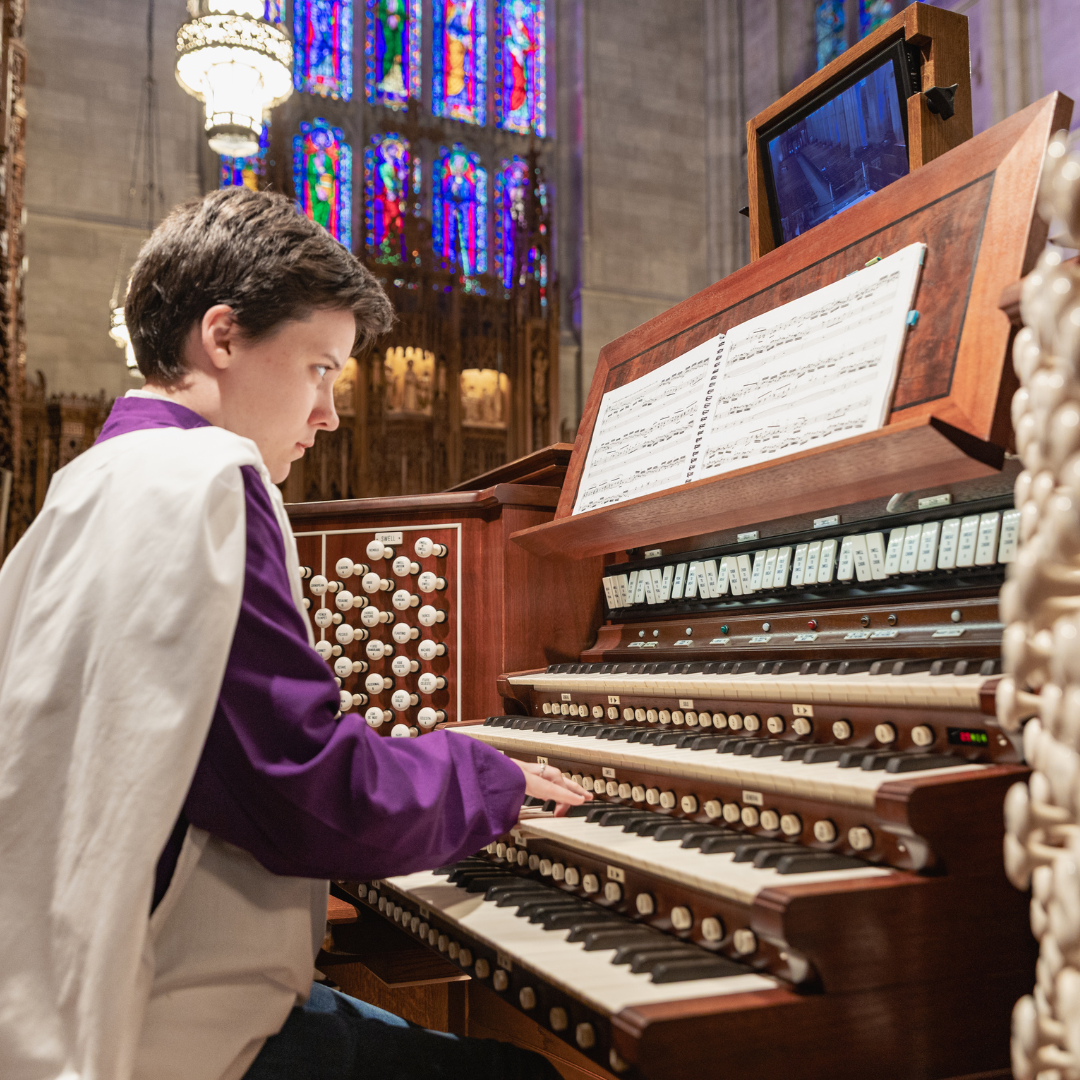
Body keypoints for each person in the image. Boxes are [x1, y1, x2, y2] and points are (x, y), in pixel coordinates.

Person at [0, 187, 589, 1080]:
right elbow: (305, 791)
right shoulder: (203, 480)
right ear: (224, 336)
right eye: (320, 369)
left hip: (66, 981)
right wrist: (485, 776)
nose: (330, 414)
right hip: (158, 1029)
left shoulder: (92, 483)